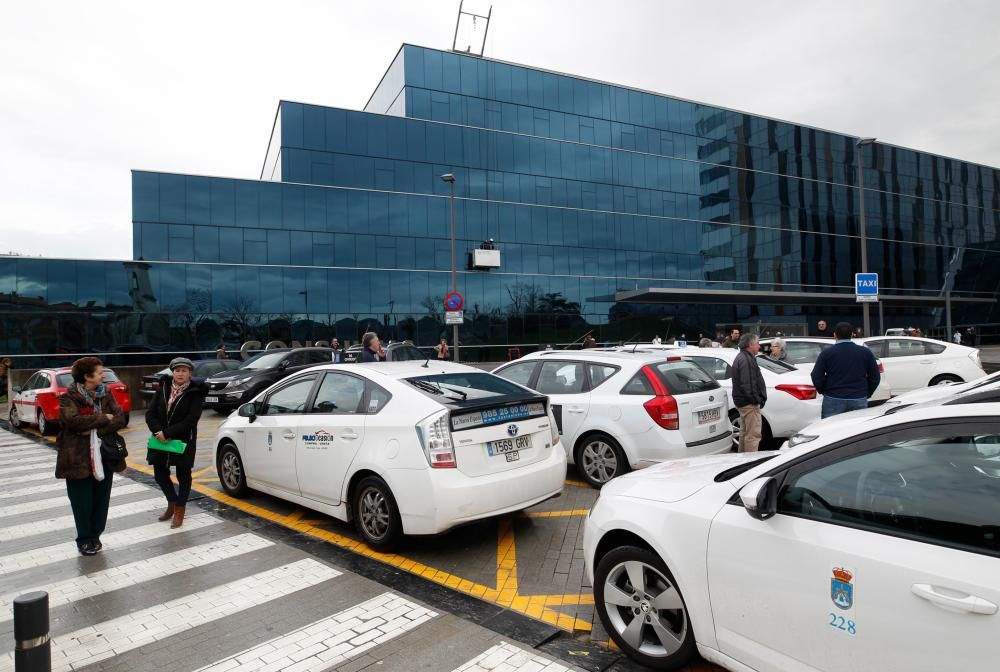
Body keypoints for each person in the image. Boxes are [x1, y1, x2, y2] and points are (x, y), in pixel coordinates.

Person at [56, 356, 127, 555]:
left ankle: (96, 535)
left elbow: (120, 418)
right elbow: (72, 421)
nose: (103, 374)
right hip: (77, 458)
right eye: (99, 372)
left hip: (105, 455)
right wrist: (103, 418)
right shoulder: (68, 397)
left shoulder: (107, 393)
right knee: (81, 501)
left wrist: (94, 429)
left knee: (101, 499)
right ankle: (84, 539)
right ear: (87, 376)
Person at [145, 357, 208, 529]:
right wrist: (158, 431)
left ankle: (180, 510)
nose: (180, 374)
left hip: (183, 439)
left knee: (183, 475)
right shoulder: (163, 388)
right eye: (177, 370)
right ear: (172, 372)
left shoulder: (195, 392)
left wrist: (168, 432)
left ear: (190, 374)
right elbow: (150, 414)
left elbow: (191, 419)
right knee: (159, 473)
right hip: (160, 439)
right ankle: (172, 502)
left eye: (184, 371)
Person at [811, 322, 881, 419]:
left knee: (830, 430)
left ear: (835, 335)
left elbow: (816, 376)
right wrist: (866, 393)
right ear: (852, 334)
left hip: (833, 398)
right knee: (857, 431)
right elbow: (875, 377)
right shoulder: (865, 352)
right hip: (858, 397)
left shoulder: (827, 353)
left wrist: (824, 391)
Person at [731, 334, 767, 453]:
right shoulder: (746, 359)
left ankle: (742, 460)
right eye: (757, 343)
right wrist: (757, 400)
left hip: (743, 402)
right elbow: (748, 384)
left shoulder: (744, 357)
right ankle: (750, 464)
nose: (759, 345)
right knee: (753, 435)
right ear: (750, 345)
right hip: (748, 403)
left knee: (745, 433)